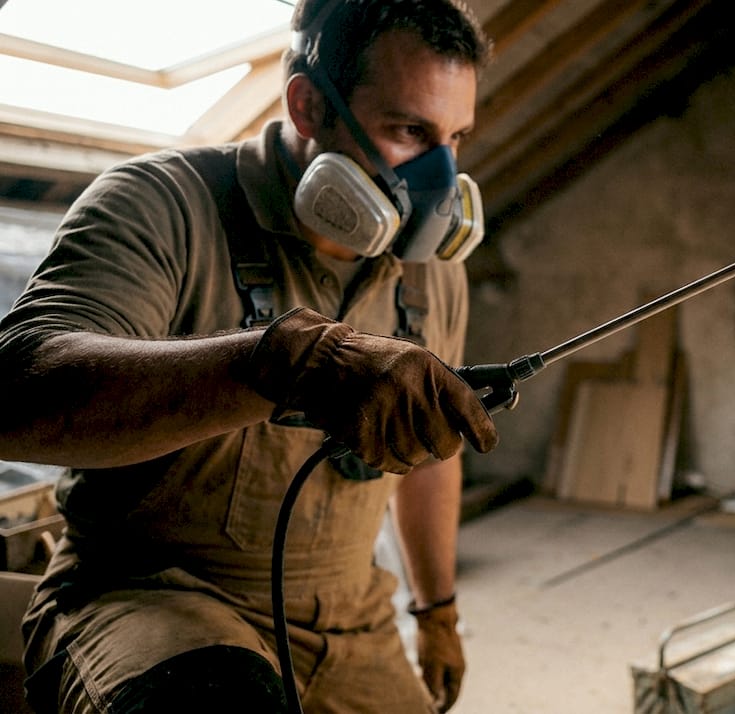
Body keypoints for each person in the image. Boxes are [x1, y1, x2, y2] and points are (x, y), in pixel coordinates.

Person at [0, 1, 498, 711]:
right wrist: (283, 363)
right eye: (409, 131)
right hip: (149, 592)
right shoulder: (163, 204)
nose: (440, 183)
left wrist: (438, 612)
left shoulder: (433, 270)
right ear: (307, 107)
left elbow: (427, 450)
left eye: (455, 138)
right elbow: (19, 389)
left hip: (349, 614)